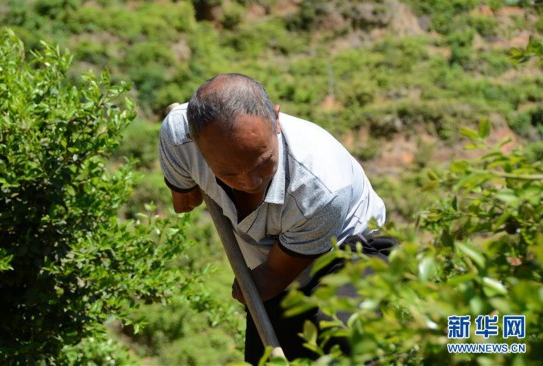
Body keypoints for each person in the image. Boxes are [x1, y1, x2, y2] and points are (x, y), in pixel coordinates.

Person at [159, 73, 392, 364]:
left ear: (276, 118)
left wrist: (244, 288)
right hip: (273, 256)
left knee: (348, 343)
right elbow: (184, 203)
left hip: (349, 246)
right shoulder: (179, 138)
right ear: (194, 141)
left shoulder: (322, 185)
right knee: (268, 359)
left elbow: (271, 277)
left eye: (263, 162)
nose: (250, 181)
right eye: (230, 172)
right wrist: (186, 175)